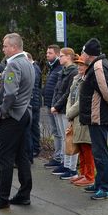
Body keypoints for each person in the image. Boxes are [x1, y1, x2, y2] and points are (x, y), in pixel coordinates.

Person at [0, 33, 35, 211]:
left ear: (13, 47)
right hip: (24, 114)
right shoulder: (28, 62)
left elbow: (10, 93)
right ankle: (24, 194)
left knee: (5, 157)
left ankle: (2, 198)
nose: (3, 49)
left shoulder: (13, 64)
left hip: (13, 116)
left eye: (5, 46)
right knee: (22, 156)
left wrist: (3, 112)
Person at [78, 38, 108, 200]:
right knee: (97, 151)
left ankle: (105, 187)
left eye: (83, 52)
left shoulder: (98, 66)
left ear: (89, 54)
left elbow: (107, 91)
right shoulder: (96, 65)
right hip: (95, 116)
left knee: (100, 152)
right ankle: (99, 182)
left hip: (99, 116)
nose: (81, 55)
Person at [48, 48, 79, 178]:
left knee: (69, 138)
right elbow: (57, 89)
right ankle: (65, 164)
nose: (59, 58)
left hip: (66, 108)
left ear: (68, 57)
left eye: (61, 56)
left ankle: (71, 167)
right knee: (63, 136)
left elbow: (68, 93)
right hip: (59, 107)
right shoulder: (63, 71)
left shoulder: (73, 72)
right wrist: (54, 105)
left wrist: (57, 105)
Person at [65, 58, 94, 186]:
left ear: (88, 67)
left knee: (86, 147)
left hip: (83, 118)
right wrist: (69, 113)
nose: (79, 67)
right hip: (75, 118)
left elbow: (82, 101)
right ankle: (82, 173)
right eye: (78, 64)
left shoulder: (87, 80)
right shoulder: (76, 80)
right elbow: (70, 98)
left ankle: (89, 175)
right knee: (80, 147)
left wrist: (70, 113)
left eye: (82, 65)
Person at [42, 44, 63, 167]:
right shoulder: (52, 68)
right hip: (50, 104)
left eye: (49, 53)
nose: (47, 55)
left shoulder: (59, 68)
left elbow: (60, 88)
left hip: (56, 105)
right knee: (56, 131)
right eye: (47, 53)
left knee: (59, 132)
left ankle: (59, 157)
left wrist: (56, 104)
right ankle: (57, 155)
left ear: (56, 54)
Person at [25, 51, 43, 161]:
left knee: (33, 127)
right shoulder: (33, 68)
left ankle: (35, 148)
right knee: (32, 126)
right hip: (34, 100)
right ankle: (34, 148)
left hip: (34, 102)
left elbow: (33, 85)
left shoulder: (34, 69)